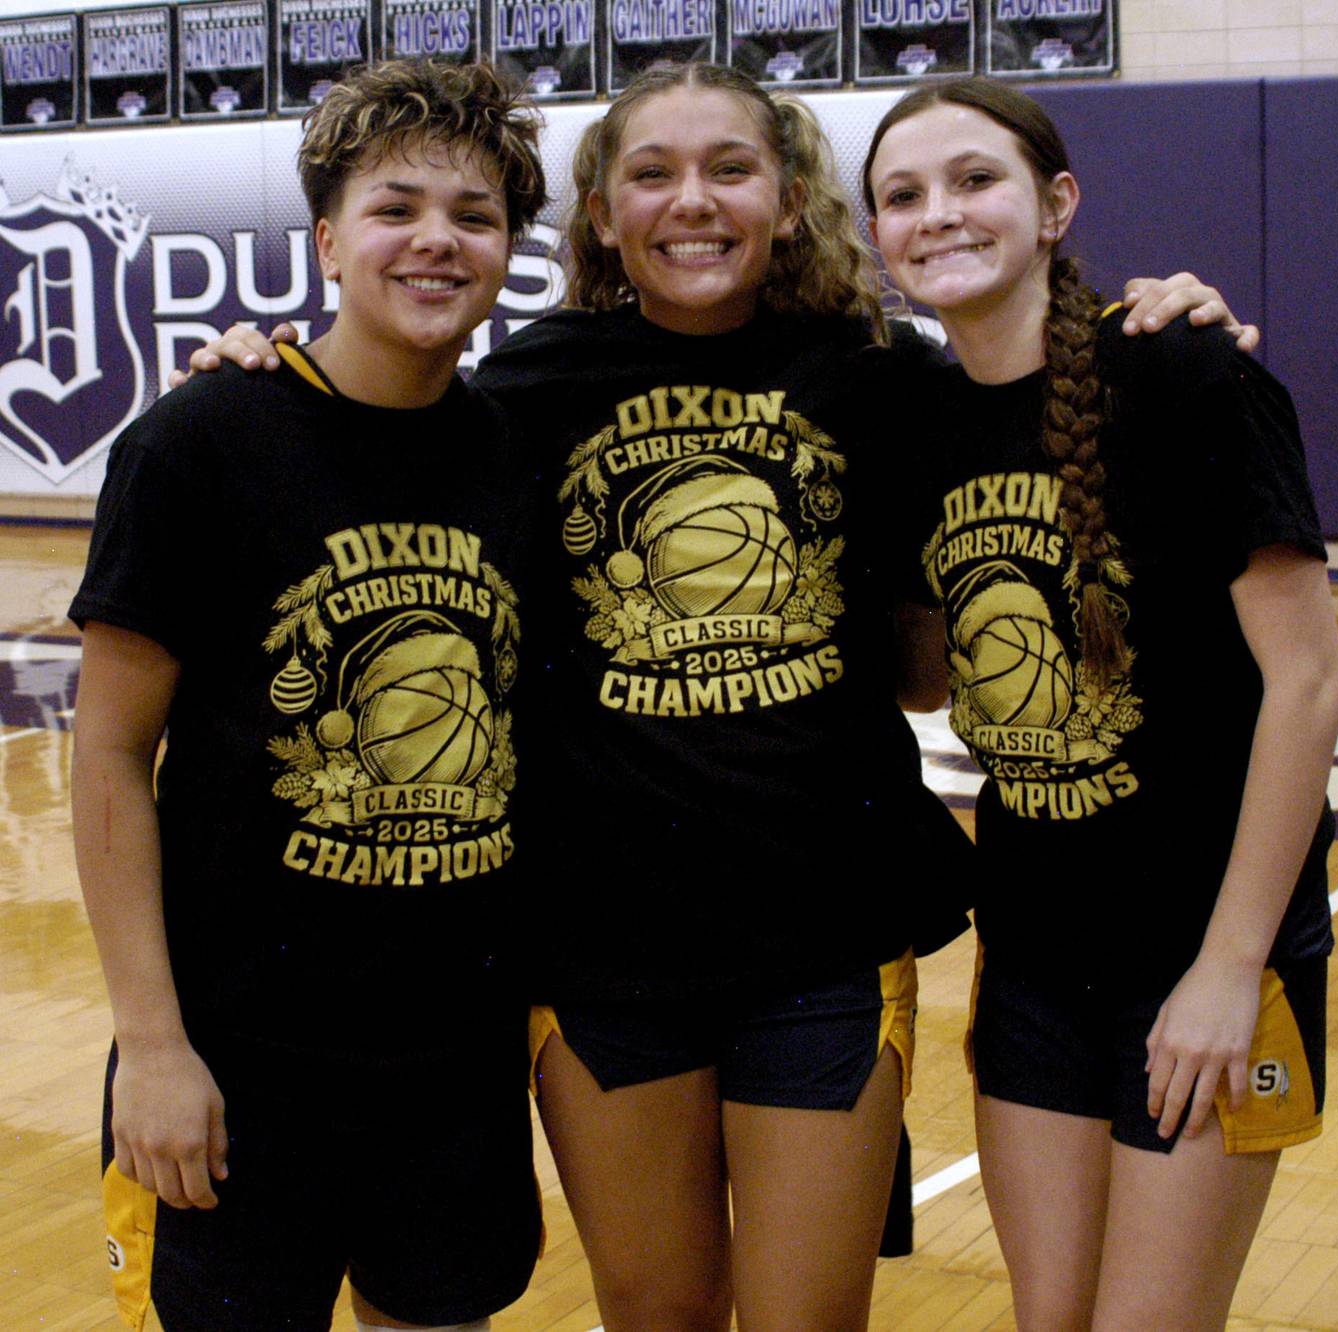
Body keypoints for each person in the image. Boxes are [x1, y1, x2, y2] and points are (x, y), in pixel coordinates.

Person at [179, 62, 1257, 1330]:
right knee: (662, 1316)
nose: (692, 202)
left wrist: (1167, 316)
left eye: (730, 169)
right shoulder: (521, 393)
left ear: (789, 200)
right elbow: (361, 432)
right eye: (652, 173)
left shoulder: (882, 375)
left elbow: (1027, 393)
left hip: (823, 943)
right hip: (598, 949)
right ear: (601, 216)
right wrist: (256, 366)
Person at [70, 60, 548, 1332]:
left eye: (477, 214)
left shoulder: (513, 456)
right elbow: (110, 756)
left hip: (452, 1060)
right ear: (329, 240)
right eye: (397, 207)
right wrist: (155, 1047)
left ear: (511, 251)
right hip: (238, 1059)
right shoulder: (199, 441)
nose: (438, 239)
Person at [863, 78, 1338, 1329]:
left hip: (1210, 957)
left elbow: (1310, 682)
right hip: (1034, 960)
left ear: (1055, 203)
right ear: (875, 236)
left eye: (976, 181)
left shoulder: (1182, 374)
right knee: (1051, 1319)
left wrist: (1231, 969)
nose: (939, 215)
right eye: (903, 196)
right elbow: (924, 674)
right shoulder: (915, 413)